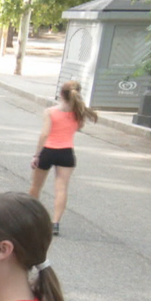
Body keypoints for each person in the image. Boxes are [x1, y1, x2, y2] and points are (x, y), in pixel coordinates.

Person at [28, 80, 96, 236]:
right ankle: (55, 222)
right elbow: (78, 127)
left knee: (36, 186)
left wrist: (36, 155)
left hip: (48, 151)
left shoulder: (50, 112)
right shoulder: (78, 112)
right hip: (66, 153)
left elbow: (44, 134)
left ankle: (32, 217)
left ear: (60, 94)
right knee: (61, 189)